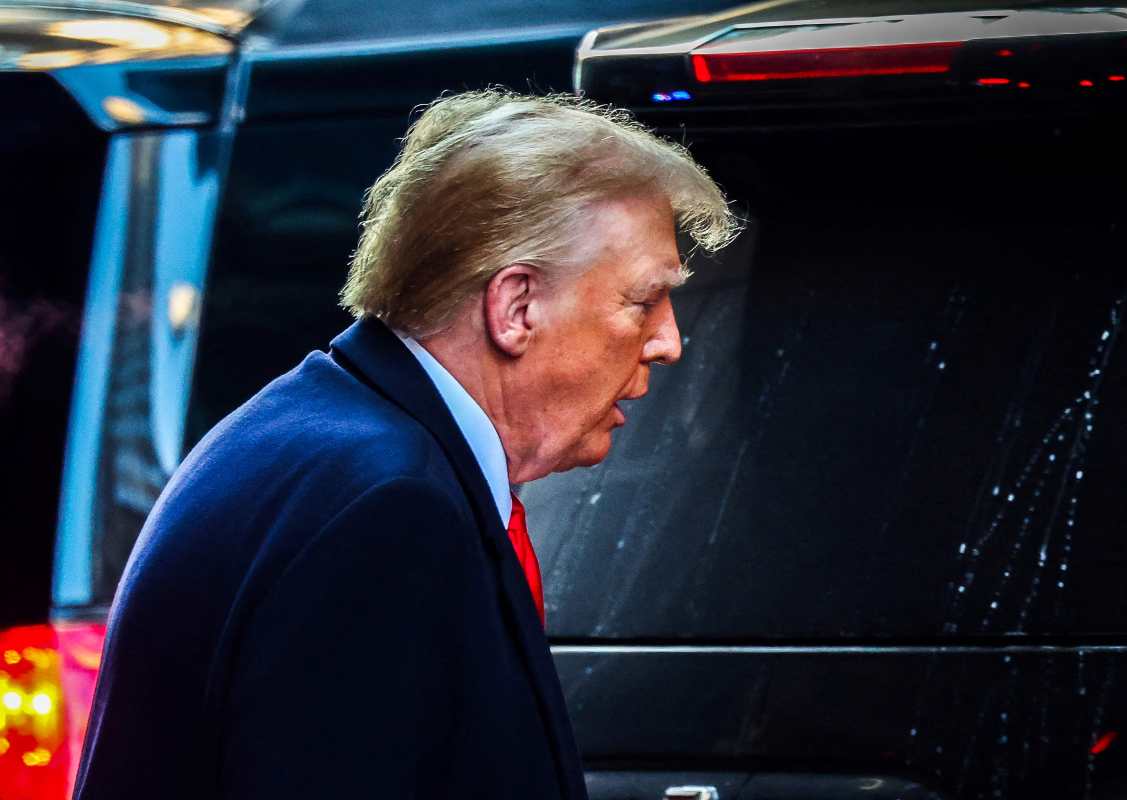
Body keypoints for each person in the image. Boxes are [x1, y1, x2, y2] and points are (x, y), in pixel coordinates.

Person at [73, 89, 737, 800]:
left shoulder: (333, 440)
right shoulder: (387, 505)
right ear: (517, 307)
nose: (668, 341)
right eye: (643, 302)